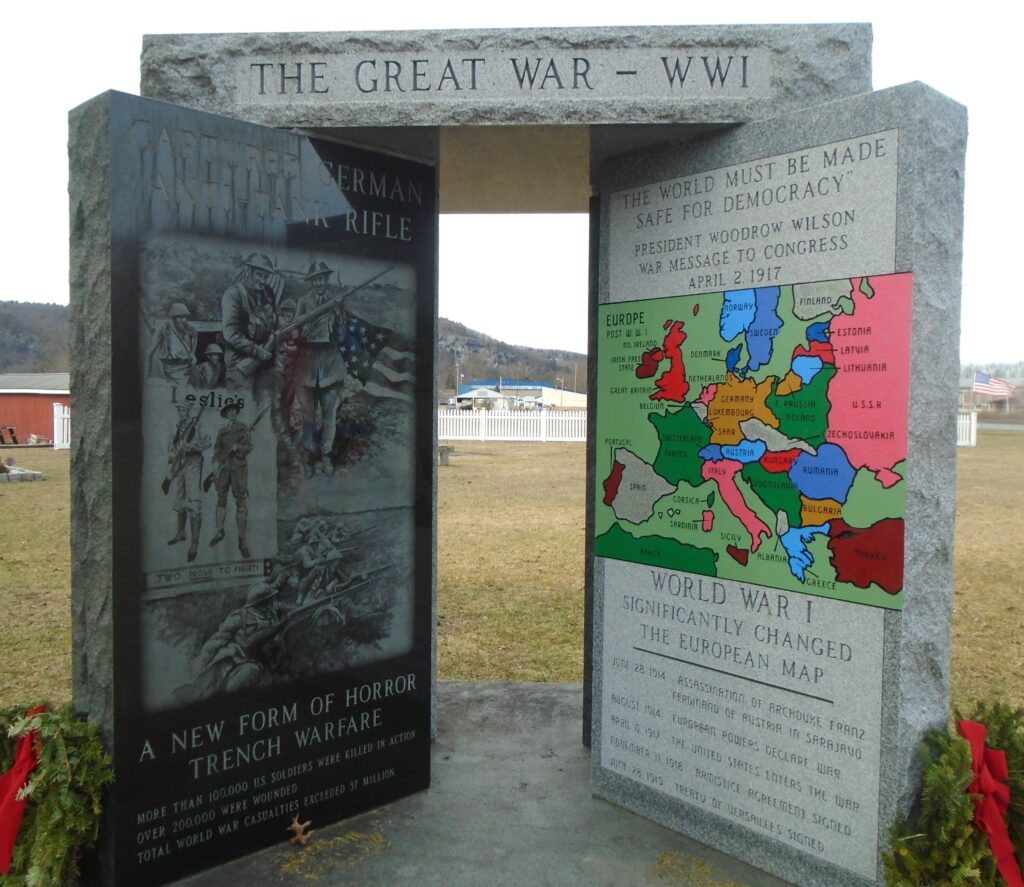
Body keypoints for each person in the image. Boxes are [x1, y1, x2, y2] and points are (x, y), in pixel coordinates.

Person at [291, 261, 347, 477]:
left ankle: (326, 455)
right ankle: (308, 456)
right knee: (308, 416)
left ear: (326, 280)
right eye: (315, 279)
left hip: (331, 365)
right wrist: (309, 323)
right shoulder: (303, 303)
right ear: (312, 282)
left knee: (329, 415)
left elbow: (341, 336)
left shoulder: (336, 303)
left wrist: (339, 312)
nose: (319, 283)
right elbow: (297, 334)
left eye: (322, 278)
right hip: (306, 366)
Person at [192, 581, 292, 694]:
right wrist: (202, 661)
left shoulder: (271, 611)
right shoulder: (239, 617)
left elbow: (286, 608)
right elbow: (218, 639)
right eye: (269, 598)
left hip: (265, 663)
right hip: (238, 660)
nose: (272, 600)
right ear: (262, 601)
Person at [220, 253, 279, 387]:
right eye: (259, 275)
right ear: (249, 271)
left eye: (266, 276)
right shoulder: (233, 294)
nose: (262, 280)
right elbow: (231, 333)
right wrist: (257, 351)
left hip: (265, 365)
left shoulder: (268, 293)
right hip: (239, 364)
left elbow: (273, 323)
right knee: (243, 405)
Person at [164, 402, 210, 563]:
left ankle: (194, 544)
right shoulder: (177, 428)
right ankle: (181, 533)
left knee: (194, 502)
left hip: (193, 466)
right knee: (180, 500)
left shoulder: (197, 425)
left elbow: (207, 442)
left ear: (188, 410)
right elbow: (171, 448)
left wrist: (191, 446)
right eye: (179, 409)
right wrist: (173, 455)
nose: (181, 412)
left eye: (184, 409)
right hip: (179, 468)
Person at [208, 401, 253, 558]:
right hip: (223, 470)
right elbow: (216, 450)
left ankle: (242, 541)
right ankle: (220, 531)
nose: (232, 412)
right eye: (229, 411)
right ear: (226, 414)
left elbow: (249, 446)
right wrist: (215, 464)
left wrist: (239, 448)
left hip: (238, 469)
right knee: (221, 499)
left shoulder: (243, 428)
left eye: (234, 410)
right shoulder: (222, 431)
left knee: (240, 502)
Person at [148, 302, 197, 385]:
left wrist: (192, 356)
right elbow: (150, 350)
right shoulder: (164, 328)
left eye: (185, 316)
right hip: (172, 368)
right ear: (173, 318)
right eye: (180, 317)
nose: (183, 320)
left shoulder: (191, 330)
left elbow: (193, 350)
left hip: (188, 368)